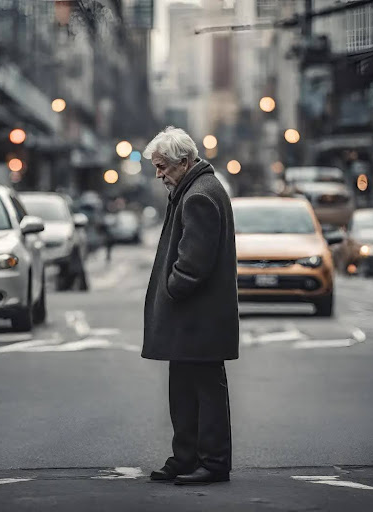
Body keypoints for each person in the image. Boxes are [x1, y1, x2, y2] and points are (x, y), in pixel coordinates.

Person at [142, 127, 239, 485]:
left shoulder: (199, 195)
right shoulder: (193, 188)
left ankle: (212, 462)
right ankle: (185, 457)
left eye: (163, 166)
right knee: (184, 389)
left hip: (198, 316)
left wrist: (174, 287)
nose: (159, 174)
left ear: (184, 162)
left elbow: (193, 262)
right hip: (194, 318)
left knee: (204, 391)